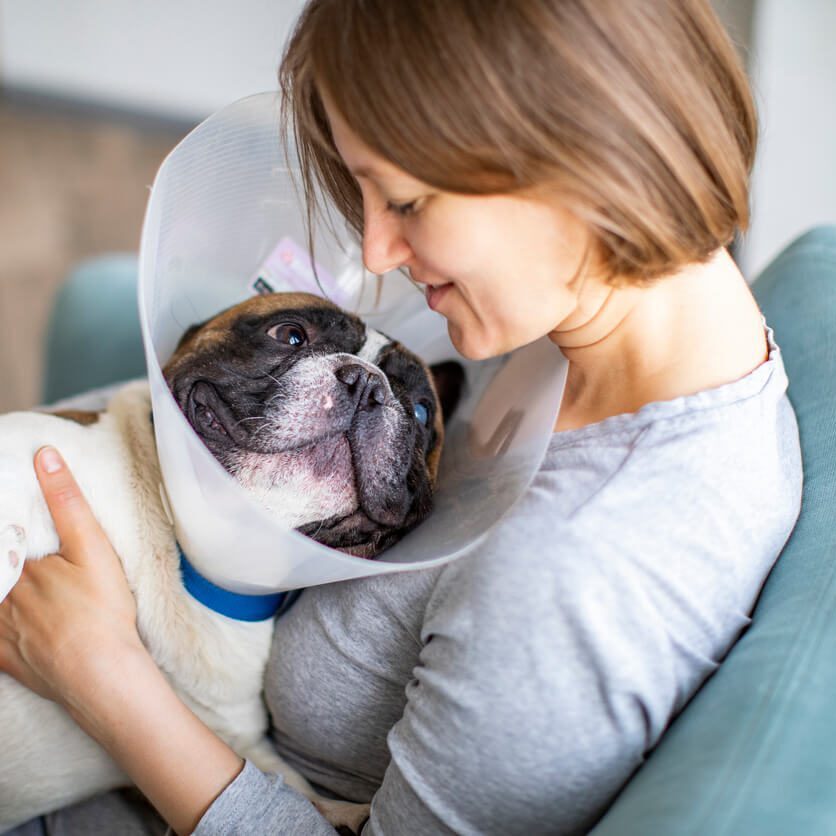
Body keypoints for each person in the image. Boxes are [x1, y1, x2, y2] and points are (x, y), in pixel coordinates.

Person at [0, 0, 802, 834]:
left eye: (410, 202)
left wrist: (102, 678)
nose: (377, 252)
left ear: (588, 164)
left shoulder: (578, 577)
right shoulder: (565, 308)